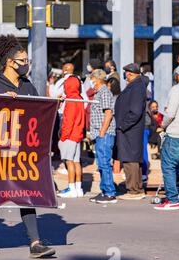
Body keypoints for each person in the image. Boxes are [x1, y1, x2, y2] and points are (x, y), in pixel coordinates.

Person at [0, 35, 56, 259]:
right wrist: (1, 102)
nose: (26, 64)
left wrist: (50, 108)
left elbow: (39, 116)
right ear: (10, 62)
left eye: (27, 60)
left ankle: (35, 242)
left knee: (27, 193)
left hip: (24, 152)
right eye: (22, 60)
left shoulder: (28, 86)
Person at [154, 63, 179, 211]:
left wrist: (162, 125)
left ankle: (173, 199)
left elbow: (170, 113)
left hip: (175, 134)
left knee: (168, 167)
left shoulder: (177, 89)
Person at [114, 63, 147, 200]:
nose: (125, 76)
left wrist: (122, 125)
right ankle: (137, 189)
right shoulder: (136, 85)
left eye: (127, 73)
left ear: (130, 74)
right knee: (132, 160)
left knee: (130, 160)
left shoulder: (137, 87)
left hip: (130, 130)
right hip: (130, 129)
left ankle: (133, 191)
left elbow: (135, 111)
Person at [87, 70, 117, 204]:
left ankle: (109, 193)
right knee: (101, 164)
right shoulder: (98, 93)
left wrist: (102, 132)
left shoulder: (104, 92)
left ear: (98, 79)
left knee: (104, 163)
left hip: (104, 134)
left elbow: (108, 113)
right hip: (99, 133)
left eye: (92, 79)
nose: (91, 81)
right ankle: (105, 190)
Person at [57, 68, 85, 198]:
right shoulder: (79, 98)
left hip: (70, 134)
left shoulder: (71, 100)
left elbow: (68, 120)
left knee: (69, 162)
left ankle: (71, 187)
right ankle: (79, 188)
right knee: (76, 161)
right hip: (78, 133)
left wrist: (63, 137)